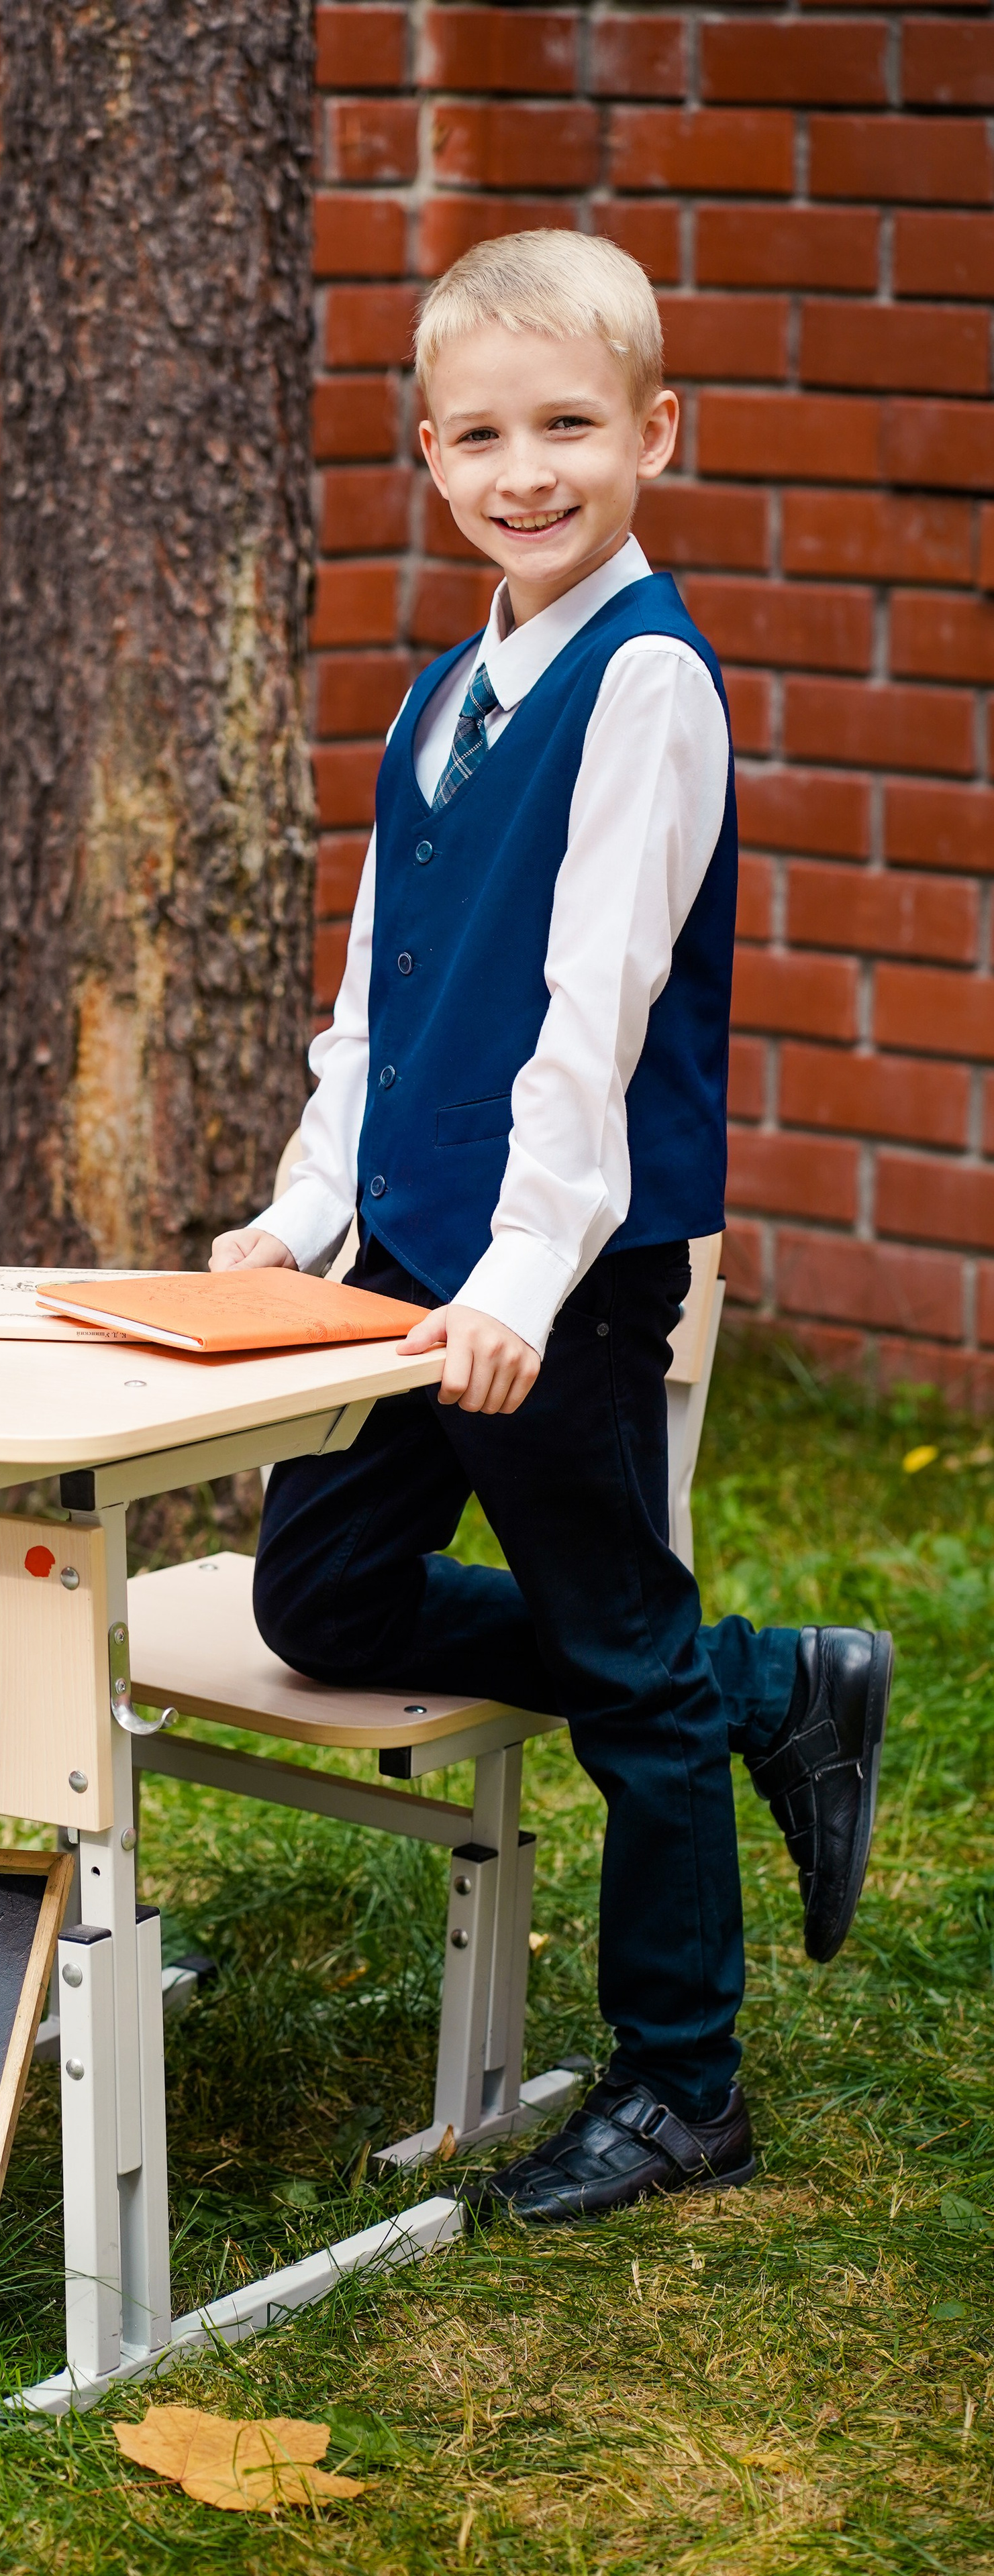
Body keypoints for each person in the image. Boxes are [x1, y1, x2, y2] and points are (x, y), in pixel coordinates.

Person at [211, 231, 891, 2225]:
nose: (530, 469)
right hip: (412, 1251)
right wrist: (304, 1211)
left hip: (560, 1279)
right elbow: (381, 1001)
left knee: (619, 1675)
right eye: (486, 434)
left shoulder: (649, 681)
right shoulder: (447, 688)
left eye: (572, 427)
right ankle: (771, 1680)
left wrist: (519, 1278)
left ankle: (689, 2087)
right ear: (430, 456)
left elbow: (592, 1018)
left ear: (654, 436)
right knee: (319, 1600)